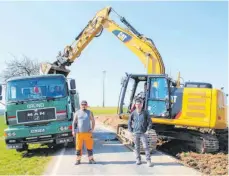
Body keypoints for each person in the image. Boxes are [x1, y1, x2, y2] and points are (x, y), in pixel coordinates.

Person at [128, 98, 153, 167]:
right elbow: (129, 122)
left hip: (143, 133)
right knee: (137, 147)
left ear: (142, 105)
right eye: (137, 104)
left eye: (139, 104)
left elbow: (150, 122)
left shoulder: (145, 113)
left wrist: (148, 130)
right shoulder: (133, 113)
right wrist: (130, 131)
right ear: (135, 105)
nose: (138, 106)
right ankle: (138, 159)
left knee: (146, 147)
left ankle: (148, 160)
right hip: (135, 133)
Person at [72, 100, 96, 165]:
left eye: (85, 104)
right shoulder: (77, 113)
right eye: (82, 104)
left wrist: (92, 129)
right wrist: (73, 131)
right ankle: (78, 160)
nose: (83, 106)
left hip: (88, 133)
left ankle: (91, 159)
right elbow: (74, 122)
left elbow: (93, 121)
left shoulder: (89, 112)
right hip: (79, 133)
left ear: (87, 105)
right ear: (80, 105)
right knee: (78, 147)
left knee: (89, 147)